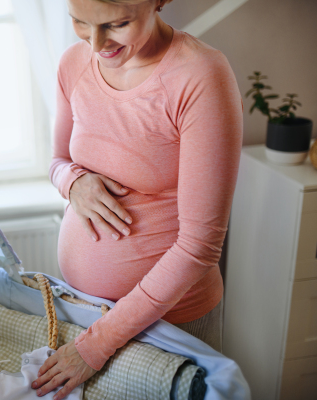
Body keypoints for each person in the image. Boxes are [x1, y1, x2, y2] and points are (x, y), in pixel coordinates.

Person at [30, 0, 243, 398]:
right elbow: (58, 161)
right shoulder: (72, 65)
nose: (96, 43)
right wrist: (73, 181)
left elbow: (200, 248)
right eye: (79, 22)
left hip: (169, 322)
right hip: (85, 309)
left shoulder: (199, 76)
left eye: (116, 24)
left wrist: (96, 345)